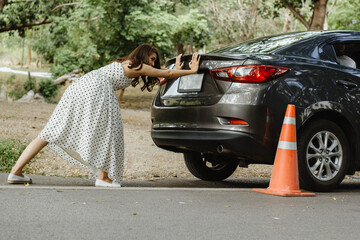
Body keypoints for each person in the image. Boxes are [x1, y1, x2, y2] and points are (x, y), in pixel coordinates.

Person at [7, 43, 200, 187]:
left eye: (154, 60)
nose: (153, 62)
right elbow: (165, 73)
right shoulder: (138, 65)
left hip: (81, 86)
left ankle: (16, 172)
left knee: (51, 130)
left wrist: (173, 70)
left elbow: (162, 75)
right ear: (142, 55)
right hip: (97, 89)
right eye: (151, 58)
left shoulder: (127, 64)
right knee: (111, 132)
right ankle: (103, 177)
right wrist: (190, 70)